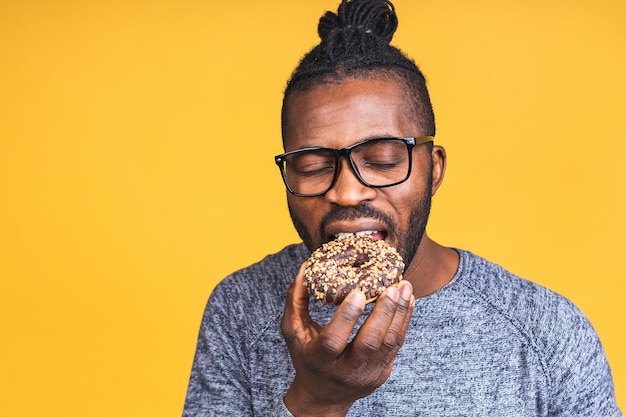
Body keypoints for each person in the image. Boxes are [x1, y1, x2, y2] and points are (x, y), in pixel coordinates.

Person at [183, 1, 621, 416]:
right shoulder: (242, 309)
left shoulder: (548, 332)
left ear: (433, 169)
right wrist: (316, 402)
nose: (348, 193)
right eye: (314, 166)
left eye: (382, 161)